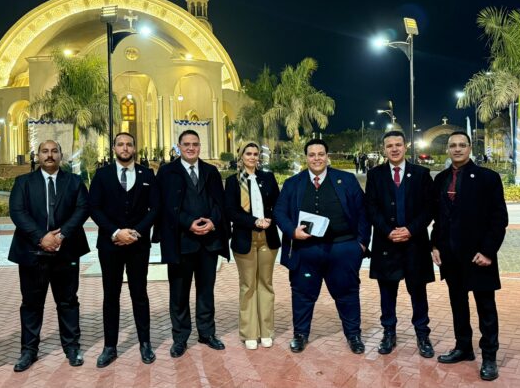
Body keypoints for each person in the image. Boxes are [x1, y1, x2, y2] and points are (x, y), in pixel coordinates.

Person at [274, 139, 371, 354]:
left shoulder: (346, 180)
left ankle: (353, 335)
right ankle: (300, 334)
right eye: (312, 155)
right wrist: (292, 231)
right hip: (306, 249)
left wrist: (361, 244)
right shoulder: (293, 183)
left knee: (347, 294)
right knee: (302, 294)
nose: (316, 158)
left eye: (320, 154)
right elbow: (279, 212)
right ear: (306, 157)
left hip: (343, 248)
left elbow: (363, 212)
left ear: (327, 156)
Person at [431, 131, 508, 381]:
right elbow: (439, 218)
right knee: (458, 304)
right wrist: (435, 245)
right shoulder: (441, 179)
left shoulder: (488, 178)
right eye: (453, 145)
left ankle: (489, 356)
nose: (457, 149)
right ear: (447, 149)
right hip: (450, 256)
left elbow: (499, 218)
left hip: (478, 256)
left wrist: (488, 251)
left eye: (462, 145)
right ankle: (463, 347)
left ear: (470, 148)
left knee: (485, 307)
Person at [8, 140, 90, 372]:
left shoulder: (74, 182)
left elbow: (82, 209)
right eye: (45, 151)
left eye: (54, 151)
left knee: (68, 301)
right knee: (31, 304)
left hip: (66, 252)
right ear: (38, 156)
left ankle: (72, 347)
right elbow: (17, 212)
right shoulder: (23, 182)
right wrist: (41, 237)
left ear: (61, 155)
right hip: (32, 252)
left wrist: (61, 236)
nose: (50, 155)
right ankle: (29, 351)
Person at [154, 129, 229, 358]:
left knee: (206, 291)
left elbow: (220, 203)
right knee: (179, 293)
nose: (191, 148)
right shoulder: (167, 172)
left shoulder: (211, 171)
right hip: (181, 242)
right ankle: (180, 338)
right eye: (186, 144)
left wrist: (213, 222)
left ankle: (207, 333)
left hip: (208, 242)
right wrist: (188, 223)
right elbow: (163, 207)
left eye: (195, 144)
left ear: (199, 146)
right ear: (179, 147)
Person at [89, 132, 159, 367]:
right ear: (114, 148)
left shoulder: (147, 174)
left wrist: (136, 233)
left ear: (134, 148)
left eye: (129, 144)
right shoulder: (102, 175)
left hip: (138, 245)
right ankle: (110, 346)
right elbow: (94, 208)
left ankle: (145, 343)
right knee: (111, 295)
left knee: (139, 294)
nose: (125, 148)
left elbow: (154, 208)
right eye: (120, 144)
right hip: (110, 245)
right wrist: (115, 232)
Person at [365, 131, 435, 358]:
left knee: (418, 292)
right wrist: (388, 231)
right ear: (384, 149)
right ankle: (389, 333)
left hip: (415, 244)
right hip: (387, 244)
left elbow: (429, 208)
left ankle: (422, 335)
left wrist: (411, 230)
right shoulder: (375, 175)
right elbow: (371, 208)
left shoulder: (422, 174)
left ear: (406, 147)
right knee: (387, 293)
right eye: (389, 146)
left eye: (398, 145)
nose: (394, 149)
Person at [224, 141, 281, 350]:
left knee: (265, 284)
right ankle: (249, 333)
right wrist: (254, 222)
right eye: (248, 153)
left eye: (256, 154)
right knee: (248, 286)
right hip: (244, 238)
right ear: (241, 156)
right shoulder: (233, 182)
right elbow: (230, 211)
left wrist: (270, 220)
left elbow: (278, 204)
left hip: (268, 237)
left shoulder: (268, 178)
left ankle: (266, 331)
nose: (252, 157)